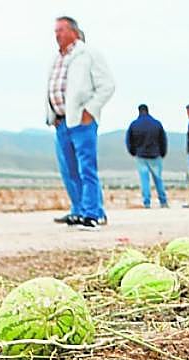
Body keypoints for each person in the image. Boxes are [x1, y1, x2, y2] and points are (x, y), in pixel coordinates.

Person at [46, 16, 115, 228]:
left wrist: (90, 110)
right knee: (69, 169)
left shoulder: (88, 54)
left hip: (82, 121)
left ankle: (93, 213)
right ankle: (78, 210)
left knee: (86, 168)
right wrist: (52, 116)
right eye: (55, 31)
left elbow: (107, 85)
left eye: (61, 30)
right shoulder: (58, 58)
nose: (57, 34)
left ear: (74, 32)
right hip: (61, 121)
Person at [126, 104, 168, 208]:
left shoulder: (134, 124)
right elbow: (163, 139)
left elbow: (129, 140)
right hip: (155, 155)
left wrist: (133, 152)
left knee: (145, 180)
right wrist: (163, 152)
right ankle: (163, 201)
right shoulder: (157, 124)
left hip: (141, 155)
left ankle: (147, 202)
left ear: (139, 111)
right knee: (158, 179)